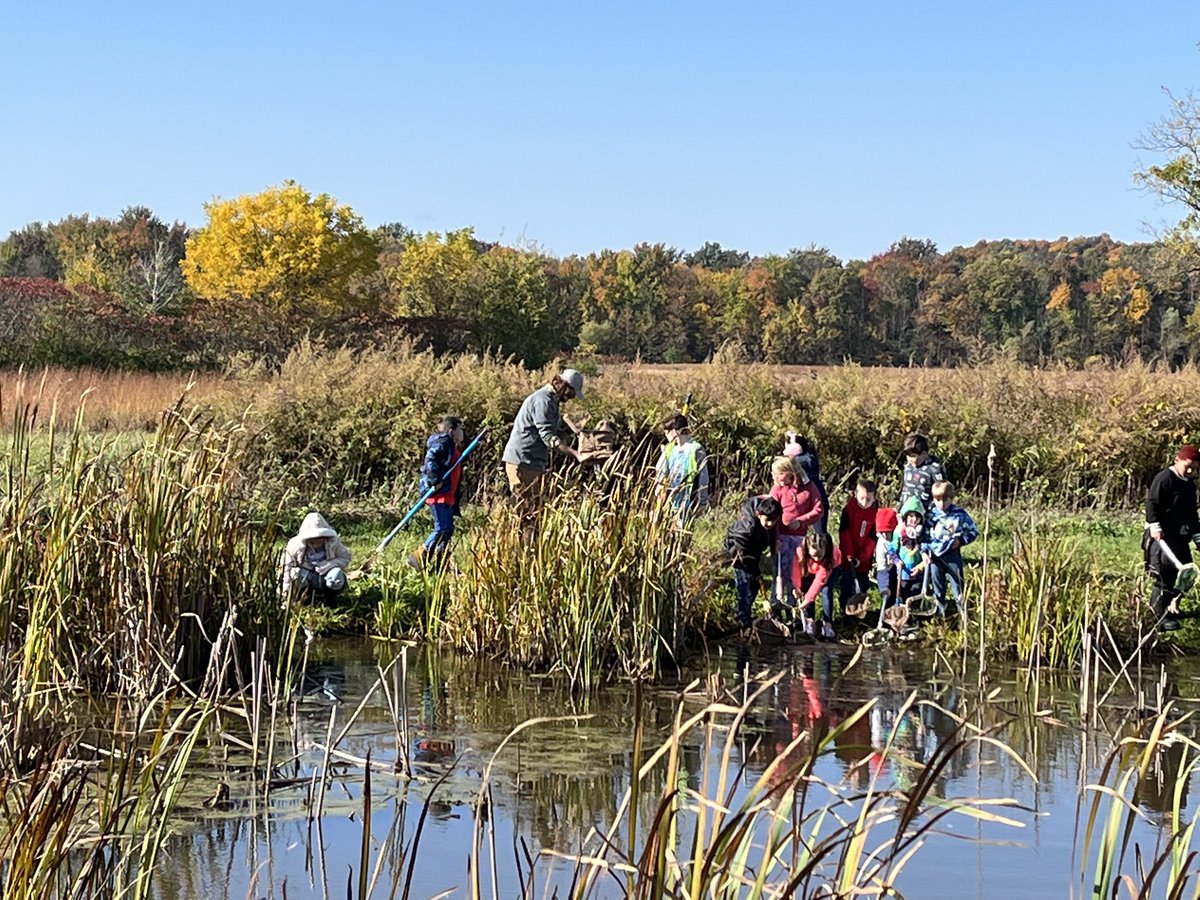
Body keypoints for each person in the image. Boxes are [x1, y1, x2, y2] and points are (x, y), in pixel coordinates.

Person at [501, 368, 587, 514]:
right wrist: (576, 454)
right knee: (526, 512)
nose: (571, 397)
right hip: (523, 460)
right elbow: (548, 437)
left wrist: (574, 431)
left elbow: (552, 430)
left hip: (532, 461)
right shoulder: (544, 401)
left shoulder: (552, 401)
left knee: (533, 510)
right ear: (564, 386)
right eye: (571, 393)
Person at [1143, 444, 1200, 632]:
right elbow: (1152, 503)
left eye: (1194, 467)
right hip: (1161, 536)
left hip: (1180, 535)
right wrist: (1154, 526)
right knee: (1164, 575)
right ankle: (1158, 617)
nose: (1190, 470)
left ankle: (1172, 607)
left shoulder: (1189, 485)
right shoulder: (1164, 479)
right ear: (1178, 460)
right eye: (1187, 466)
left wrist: (1197, 536)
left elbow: (1191, 513)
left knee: (1185, 574)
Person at [409, 416, 466, 571]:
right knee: (441, 528)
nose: (463, 433)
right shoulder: (443, 442)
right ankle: (419, 556)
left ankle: (442, 563)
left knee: (448, 529)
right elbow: (430, 459)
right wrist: (435, 480)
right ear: (451, 430)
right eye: (460, 429)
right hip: (438, 494)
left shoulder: (452, 447)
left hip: (448, 495)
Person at [769, 456, 823, 617]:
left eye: (778, 473)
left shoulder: (809, 488)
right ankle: (776, 610)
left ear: (789, 473)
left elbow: (819, 510)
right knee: (779, 575)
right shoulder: (777, 489)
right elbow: (771, 514)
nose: (775, 477)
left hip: (800, 539)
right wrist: (775, 538)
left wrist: (801, 520)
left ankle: (796, 613)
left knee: (797, 575)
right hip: (781, 538)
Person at [723, 495, 783, 630]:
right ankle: (744, 622)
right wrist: (753, 568)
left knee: (754, 587)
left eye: (773, 521)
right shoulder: (747, 528)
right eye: (767, 520)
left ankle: (744, 614)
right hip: (739, 557)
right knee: (744, 587)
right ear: (758, 514)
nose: (770, 524)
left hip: (754, 554)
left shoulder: (769, 524)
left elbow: (770, 535)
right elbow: (742, 550)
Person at [927, 480, 979, 616]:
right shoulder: (931, 515)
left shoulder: (959, 514)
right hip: (935, 556)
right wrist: (924, 551)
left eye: (945, 500)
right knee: (938, 587)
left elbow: (974, 531)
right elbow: (924, 535)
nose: (941, 504)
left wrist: (961, 540)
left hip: (952, 554)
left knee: (958, 586)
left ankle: (962, 614)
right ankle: (940, 616)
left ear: (951, 498)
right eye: (938, 500)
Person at [280, 512, 353, 602]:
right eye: (312, 542)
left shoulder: (334, 542)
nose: (316, 545)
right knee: (295, 573)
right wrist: (285, 592)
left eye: (319, 542)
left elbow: (346, 557)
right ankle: (303, 598)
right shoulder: (295, 545)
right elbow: (286, 567)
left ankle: (331, 599)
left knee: (336, 573)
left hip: (325, 577)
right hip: (306, 577)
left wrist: (330, 564)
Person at [654, 412, 710, 524]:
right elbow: (660, 470)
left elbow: (703, 478)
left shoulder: (695, 449)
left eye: (667, 432)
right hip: (670, 500)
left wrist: (702, 502)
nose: (666, 435)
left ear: (675, 431)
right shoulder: (670, 449)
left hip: (688, 500)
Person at [793, 528, 842, 639]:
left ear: (825, 549)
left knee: (826, 591)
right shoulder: (800, 551)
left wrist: (807, 600)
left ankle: (827, 623)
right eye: (813, 555)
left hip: (830, 568)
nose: (816, 558)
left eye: (819, 555)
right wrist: (797, 587)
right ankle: (810, 620)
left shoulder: (831, 557)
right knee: (806, 588)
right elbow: (796, 570)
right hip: (809, 568)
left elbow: (820, 580)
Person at [838, 477, 879, 609]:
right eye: (861, 498)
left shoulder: (876, 513)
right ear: (855, 494)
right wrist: (850, 555)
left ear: (874, 498)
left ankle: (860, 612)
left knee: (862, 586)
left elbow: (873, 539)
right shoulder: (848, 510)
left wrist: (862, 557)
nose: (864, 502)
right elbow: (844, 534)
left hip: (864, 561)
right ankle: (846, 611)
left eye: (868, 499)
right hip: (847, 557)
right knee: (847, 585)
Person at [784, 432, 829, 532]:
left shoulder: (805, 460)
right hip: (809, 501)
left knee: (820, 537)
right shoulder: (810, 457)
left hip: (816, 501)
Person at [898, 433, 946, 523]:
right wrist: (899, 508)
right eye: (908, 456)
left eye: (914, 456)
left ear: (924, 453)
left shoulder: (934, 468)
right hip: (907, 514)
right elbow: (905, 489)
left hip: (927, 515)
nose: (910, 459)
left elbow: (942, 491)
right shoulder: (908, 467)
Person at [890, 497, 930, 602]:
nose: (914, 519)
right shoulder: (898, 531)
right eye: (911, 516)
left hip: (918, 573)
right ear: (905, 517)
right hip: (902, 573)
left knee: (915, 597)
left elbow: (927, 554)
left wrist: (920, 567)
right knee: (902, 595)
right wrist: (897, 561)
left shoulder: (923, 534)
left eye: (917, 517)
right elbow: (892, 550)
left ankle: (914, 616)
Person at [874, 506, 900, 607]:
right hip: (889, 568)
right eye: (882, 532)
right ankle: (888, 610)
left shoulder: (901, 536)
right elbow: (881, 567)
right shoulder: (881, 544)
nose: (885, 535)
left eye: (887, 532)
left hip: (902, 567)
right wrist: (883, 587)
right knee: (889, 590)